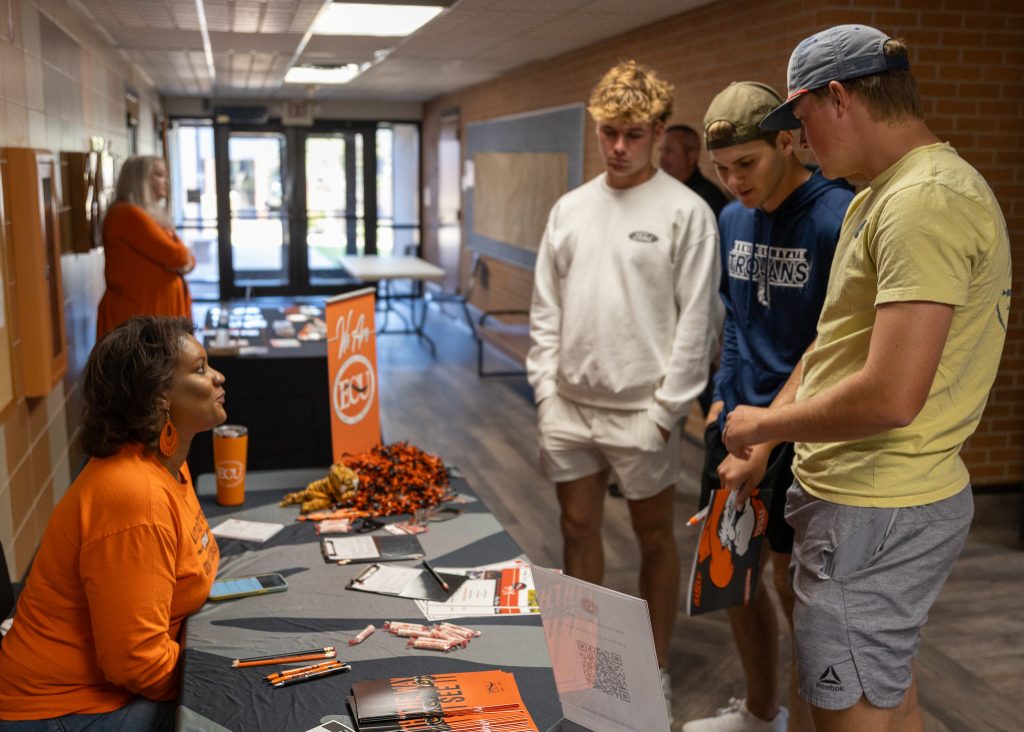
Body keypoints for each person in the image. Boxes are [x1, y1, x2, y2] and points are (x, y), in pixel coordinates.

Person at [723, 25, 1011, 732]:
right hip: (868, 503)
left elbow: (890, 394)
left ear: (839, 97)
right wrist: (768, 447)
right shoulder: (880, 196)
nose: (802, 141)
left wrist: (764, 423)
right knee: (889, 697)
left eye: (802, 119)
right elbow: (836, 343)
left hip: (876, 507)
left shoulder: (923, 202)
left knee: (847, 715)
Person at [527, 60, 720, 717]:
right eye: (608, 132)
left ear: (659, 133)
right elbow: (545, 309)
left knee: (655, 540)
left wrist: (668, 412)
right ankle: (579, 670)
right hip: (572, 407)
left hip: (644, 412)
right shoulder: (572, 208)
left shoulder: (686, 212)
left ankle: (653, 670)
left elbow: (699, 320)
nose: (617, 146)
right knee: (576, 527)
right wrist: (546, 394)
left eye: (633, 134)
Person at [682, 82, 853, 732]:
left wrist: (769, 440)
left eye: (745, 165)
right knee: (729, 574)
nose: (732, 182)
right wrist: (723, 392)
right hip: (736, 423)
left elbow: (834, 349)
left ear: (788, 140)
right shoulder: (731, 219)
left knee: (794, 595)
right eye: (720, 169)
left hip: (801, 438)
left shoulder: (837, 216)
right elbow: (734, 318)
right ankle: (759, 713)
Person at [0, 316, 224, 730]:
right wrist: (221, 681)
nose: (218, 377)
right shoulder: (135, 496)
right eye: (200, 369)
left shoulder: (164, 461)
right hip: (67, 707)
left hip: (114, 686)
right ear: (159, 397)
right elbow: (136, 664)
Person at [97, 156, 195, 338]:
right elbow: (179, 256)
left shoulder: (150, 215)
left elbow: (188, 259)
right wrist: (182, 260)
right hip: (139, 320)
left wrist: (184, 259)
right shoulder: (126, 214)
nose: (166, 181)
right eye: (159, 175)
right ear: (139, 180)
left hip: (154, 317)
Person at [660, 124, 729, 217]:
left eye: (669, 151)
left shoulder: (706, 199)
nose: (661, 159)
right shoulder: (666, 191)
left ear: (692, 156)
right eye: (661, 150)